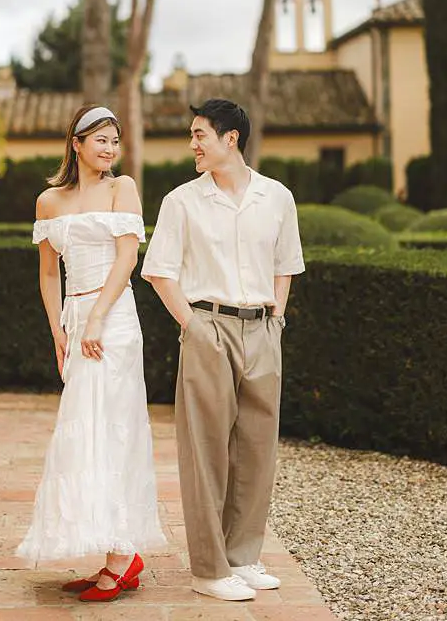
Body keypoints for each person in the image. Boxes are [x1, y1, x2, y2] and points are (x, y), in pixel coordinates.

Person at [140, 98, 304, 603]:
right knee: (206, 452)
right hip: (208, 324)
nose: (192, 144)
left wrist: (276, 316)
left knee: (257, 449)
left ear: (230, 138)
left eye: (199, 135)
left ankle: (242, 558)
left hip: (262, 330)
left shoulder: (277, 197)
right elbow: (159, 271)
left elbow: (287, 262)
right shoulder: (181, 201)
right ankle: (209, 569)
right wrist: (193, 325)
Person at [17, 104, 167, 602]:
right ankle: (112, 549)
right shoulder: (48, 202)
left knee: (114, 427)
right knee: (85, 434)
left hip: (115, 319)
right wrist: (59, 331)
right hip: (75, 319)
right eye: (100, 139)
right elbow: (45, 273)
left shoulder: (121, 189)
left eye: (114, 141)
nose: (109, 149)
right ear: (76, 143)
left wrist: (99, 317)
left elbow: (128, 255)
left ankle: (123, 556)